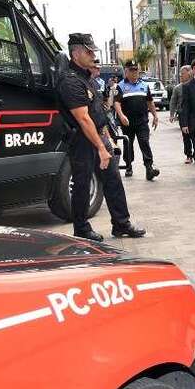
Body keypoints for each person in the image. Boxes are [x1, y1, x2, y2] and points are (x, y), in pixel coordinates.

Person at [56, 33, 145, 241]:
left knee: (113, 180)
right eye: (89, 52)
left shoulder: (86, 78)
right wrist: (101, 148)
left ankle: (121, 224)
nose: (93, 55)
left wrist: (106, 138)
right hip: (83, 141)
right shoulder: (70, 81)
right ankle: (82, 229)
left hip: (98, 136)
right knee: (82, 183)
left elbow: (96, 113)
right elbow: (83, 119)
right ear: (75, 53)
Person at [114, 59, 160, 180]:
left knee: (145, 143)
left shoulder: (144, 85)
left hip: (142, 122)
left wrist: (155, 116)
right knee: (128, 145)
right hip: (127, 122)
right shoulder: (120, 86)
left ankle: (149, 168)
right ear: (126, 71)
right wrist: (121, 116)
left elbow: (150, 101)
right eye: (132, 70)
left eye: (136, 70)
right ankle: (128, 166)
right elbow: (116, 103)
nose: (134, 72)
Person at [169, 65, 194, 164]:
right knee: (186, 136)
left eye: (182, 74)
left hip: (194, 115)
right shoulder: (178, 88)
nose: (180, 76)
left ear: (189, 73)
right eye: (180, 74)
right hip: (183, 115)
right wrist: (172, 114)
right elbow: (173, 102)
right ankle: (189, 155)